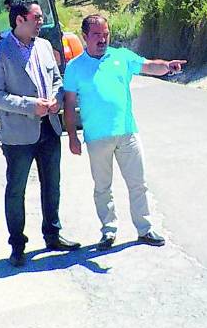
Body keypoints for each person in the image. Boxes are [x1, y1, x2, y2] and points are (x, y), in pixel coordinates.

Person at [62, 14, 186, 250]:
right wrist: (72, 136)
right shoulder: (74, 67)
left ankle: (145, 229)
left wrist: (168, 67)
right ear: (85, 37)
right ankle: (108, 231)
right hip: (97, 138)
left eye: (106, 34)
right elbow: (69, 104)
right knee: (102, 187)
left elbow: (149, 65)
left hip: (127, 133)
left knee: (138, 183)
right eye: (97, 35)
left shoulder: (121, 57)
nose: (102, 39)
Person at [0, 0, 80, 267]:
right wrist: (30, 106)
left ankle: (53, 234)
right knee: (16, 190)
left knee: (53, 185)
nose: (41, 21)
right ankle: (17, 246)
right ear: (19, 20)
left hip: (49, 127)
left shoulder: (45, 46)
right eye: (37, 17)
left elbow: (57, 80)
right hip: (18, 134)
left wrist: (57, 99)